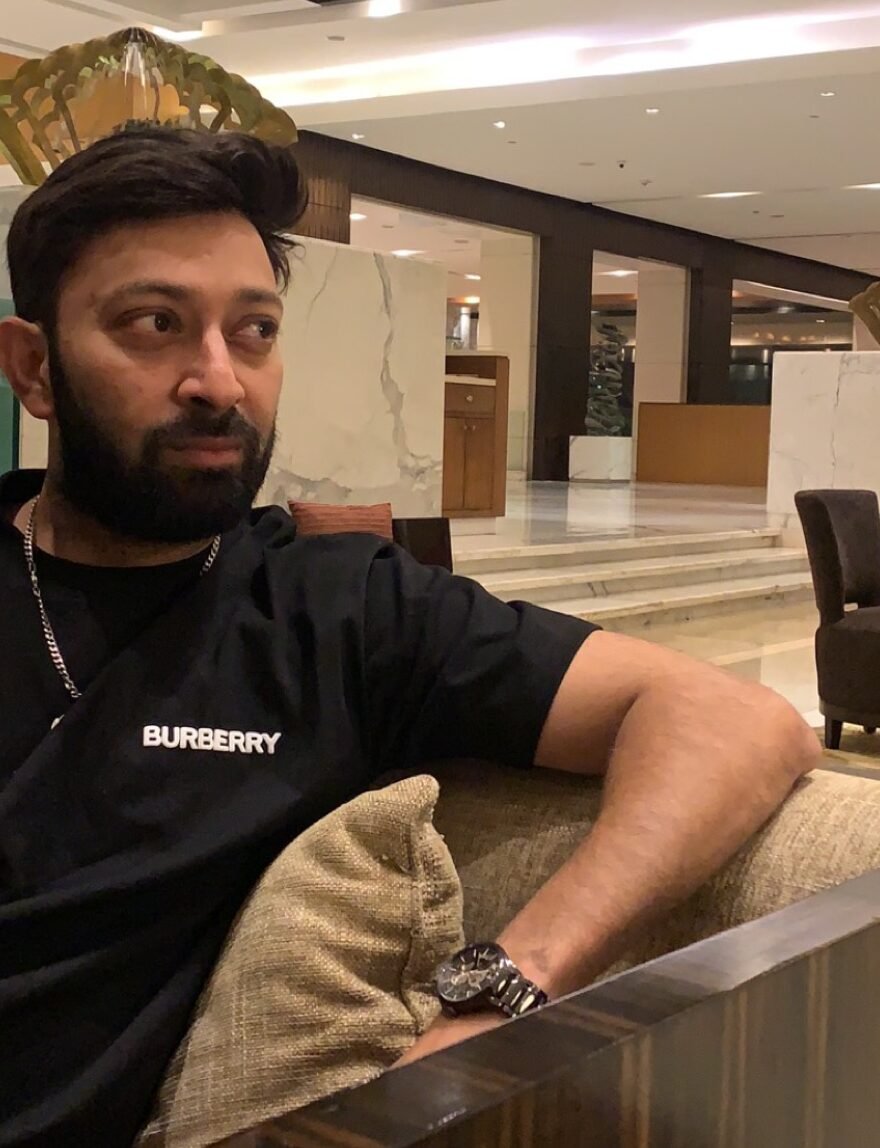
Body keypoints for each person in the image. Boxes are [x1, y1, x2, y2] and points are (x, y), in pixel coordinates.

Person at [0, 125, 820, 1147]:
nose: (219, 381)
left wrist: (504, 989)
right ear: (34, 367)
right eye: (154, 323)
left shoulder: (339, 612)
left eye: (253, 331)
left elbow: (733, 720)